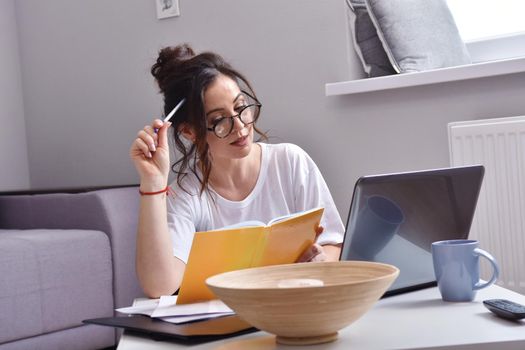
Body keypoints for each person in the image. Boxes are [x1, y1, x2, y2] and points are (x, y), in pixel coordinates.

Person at [129, 44, 344, 298]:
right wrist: (153, 183)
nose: (240, 126)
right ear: (190, 131)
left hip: (294, 308)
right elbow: (159, 286)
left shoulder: (291, 162)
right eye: (219, 121)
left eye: (241, 107)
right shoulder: (186, 195)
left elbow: (333, 243)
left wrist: (322, 262)